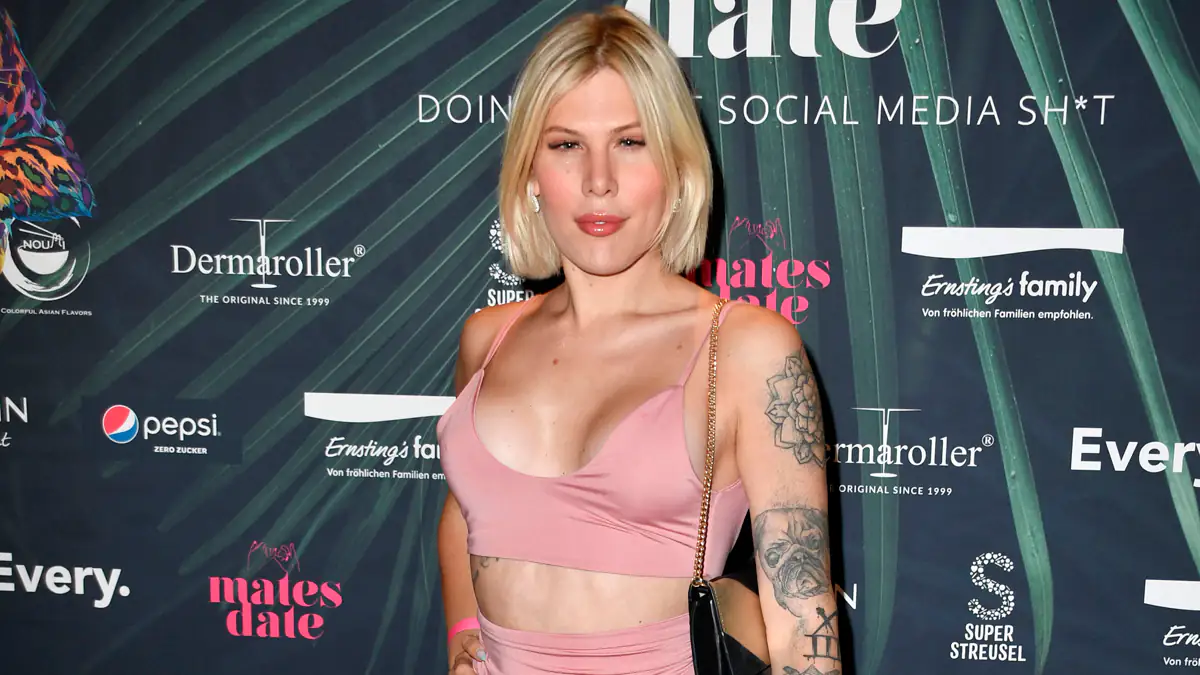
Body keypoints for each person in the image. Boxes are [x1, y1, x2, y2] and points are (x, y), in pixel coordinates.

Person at [436, 6, 839, 674]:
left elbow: (802, 623)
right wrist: (461, 637)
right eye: (566, 145)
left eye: (630, 142)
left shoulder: (746, 350)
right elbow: (464, 509)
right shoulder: (488, 339)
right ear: (530, 171)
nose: (599, 180)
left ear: (677, 166)